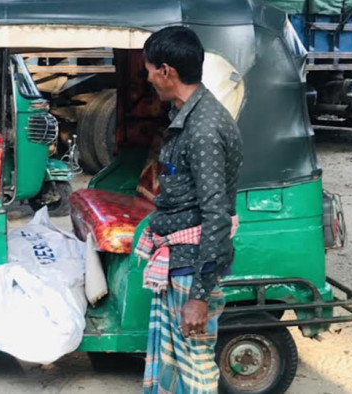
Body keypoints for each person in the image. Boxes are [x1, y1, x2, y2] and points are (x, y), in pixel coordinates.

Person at [135, 26, 244, 393]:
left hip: (191, 267)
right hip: (179, 261)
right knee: (175, 368)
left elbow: (215, 215)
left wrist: (198, 296)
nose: (148, 78)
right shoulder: (187, 115)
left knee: (194, 371)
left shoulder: (203, 129)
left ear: (166, 71)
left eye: (149, 69)